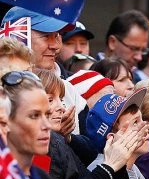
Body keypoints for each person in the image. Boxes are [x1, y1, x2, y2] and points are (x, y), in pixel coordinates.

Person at [2, 7, 88, 136]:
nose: (57, 46)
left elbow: (91, 151)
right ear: (18, 37)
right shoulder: (3, 94)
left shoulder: (68, 90)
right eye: (47, 36)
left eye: (58, 35)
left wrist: (68, 139)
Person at [1, 70, 63, 179]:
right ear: (6, 122)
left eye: (47, 115)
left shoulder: (41, 178)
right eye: (34, 116)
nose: (46, 125)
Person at [103, 10, 149, 83]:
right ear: (112, 42)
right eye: (134, 49)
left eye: (143, 50)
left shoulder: (142, 82)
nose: (139, 57)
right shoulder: (90, 76)